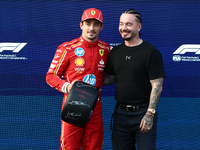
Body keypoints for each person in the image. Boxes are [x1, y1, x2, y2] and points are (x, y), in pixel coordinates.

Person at [46, 8, 111, 150]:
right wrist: (68, 87)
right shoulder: (67, 48)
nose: (91, 28)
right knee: (69, 147)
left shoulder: (107, 50)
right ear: (81, 25)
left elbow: (111, 76)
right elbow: (50, 76)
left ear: (101, 27)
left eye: (96, 24)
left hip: (95, 109)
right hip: (72, 106)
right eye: (88, 23)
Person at [103, 9, 166, 150]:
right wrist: (85, 79)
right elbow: (110, 78)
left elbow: (157, 85)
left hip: (143, 114)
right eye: (121, 24)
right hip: (120, 115)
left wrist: (150, 114)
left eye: (129, 24)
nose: (124, 28)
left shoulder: (151, 52)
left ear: (139, 26)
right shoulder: (115, 52)